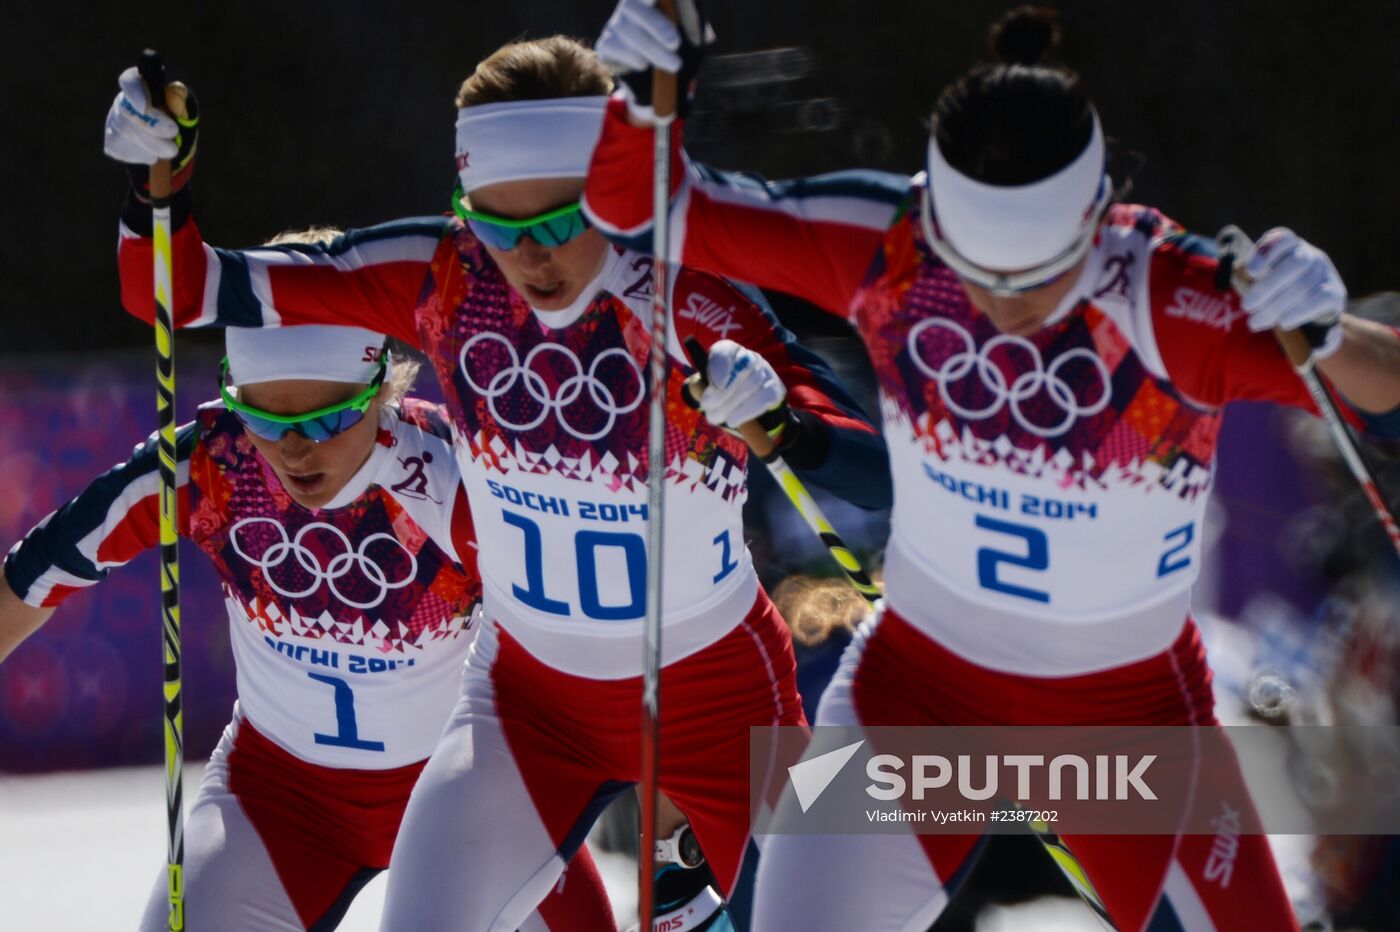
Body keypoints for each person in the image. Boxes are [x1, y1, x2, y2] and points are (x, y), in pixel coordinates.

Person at [583, 4, 1400, 930]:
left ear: (1097, 220)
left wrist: (1332, 333)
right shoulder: (894, 241)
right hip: (916, 691)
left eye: (1040, 279)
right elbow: (650, 208)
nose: (1002, 312)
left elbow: (1388, 393)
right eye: (976, 275)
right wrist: (644, 99)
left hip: (1123, 722)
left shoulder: (1171, 293)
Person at [102, 36, 891, 930]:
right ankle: (678, 891)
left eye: (559, 221)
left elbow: (868, 473)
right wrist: (157, 184)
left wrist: (781, 425)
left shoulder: (687, 300)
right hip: (526, 701)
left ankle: (681, 892)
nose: (532, 257)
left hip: (717, 691)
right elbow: (180, 289)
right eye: (498, 223)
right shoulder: (446, 275)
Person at [0, 310, 615, 931]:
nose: (295, 451)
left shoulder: (458, 474)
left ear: (379, 388)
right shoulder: (214, 465)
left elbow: (615, 638)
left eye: (327, 420)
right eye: (266, 420)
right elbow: (35, 573)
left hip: (468, 785)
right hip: (282, 797)